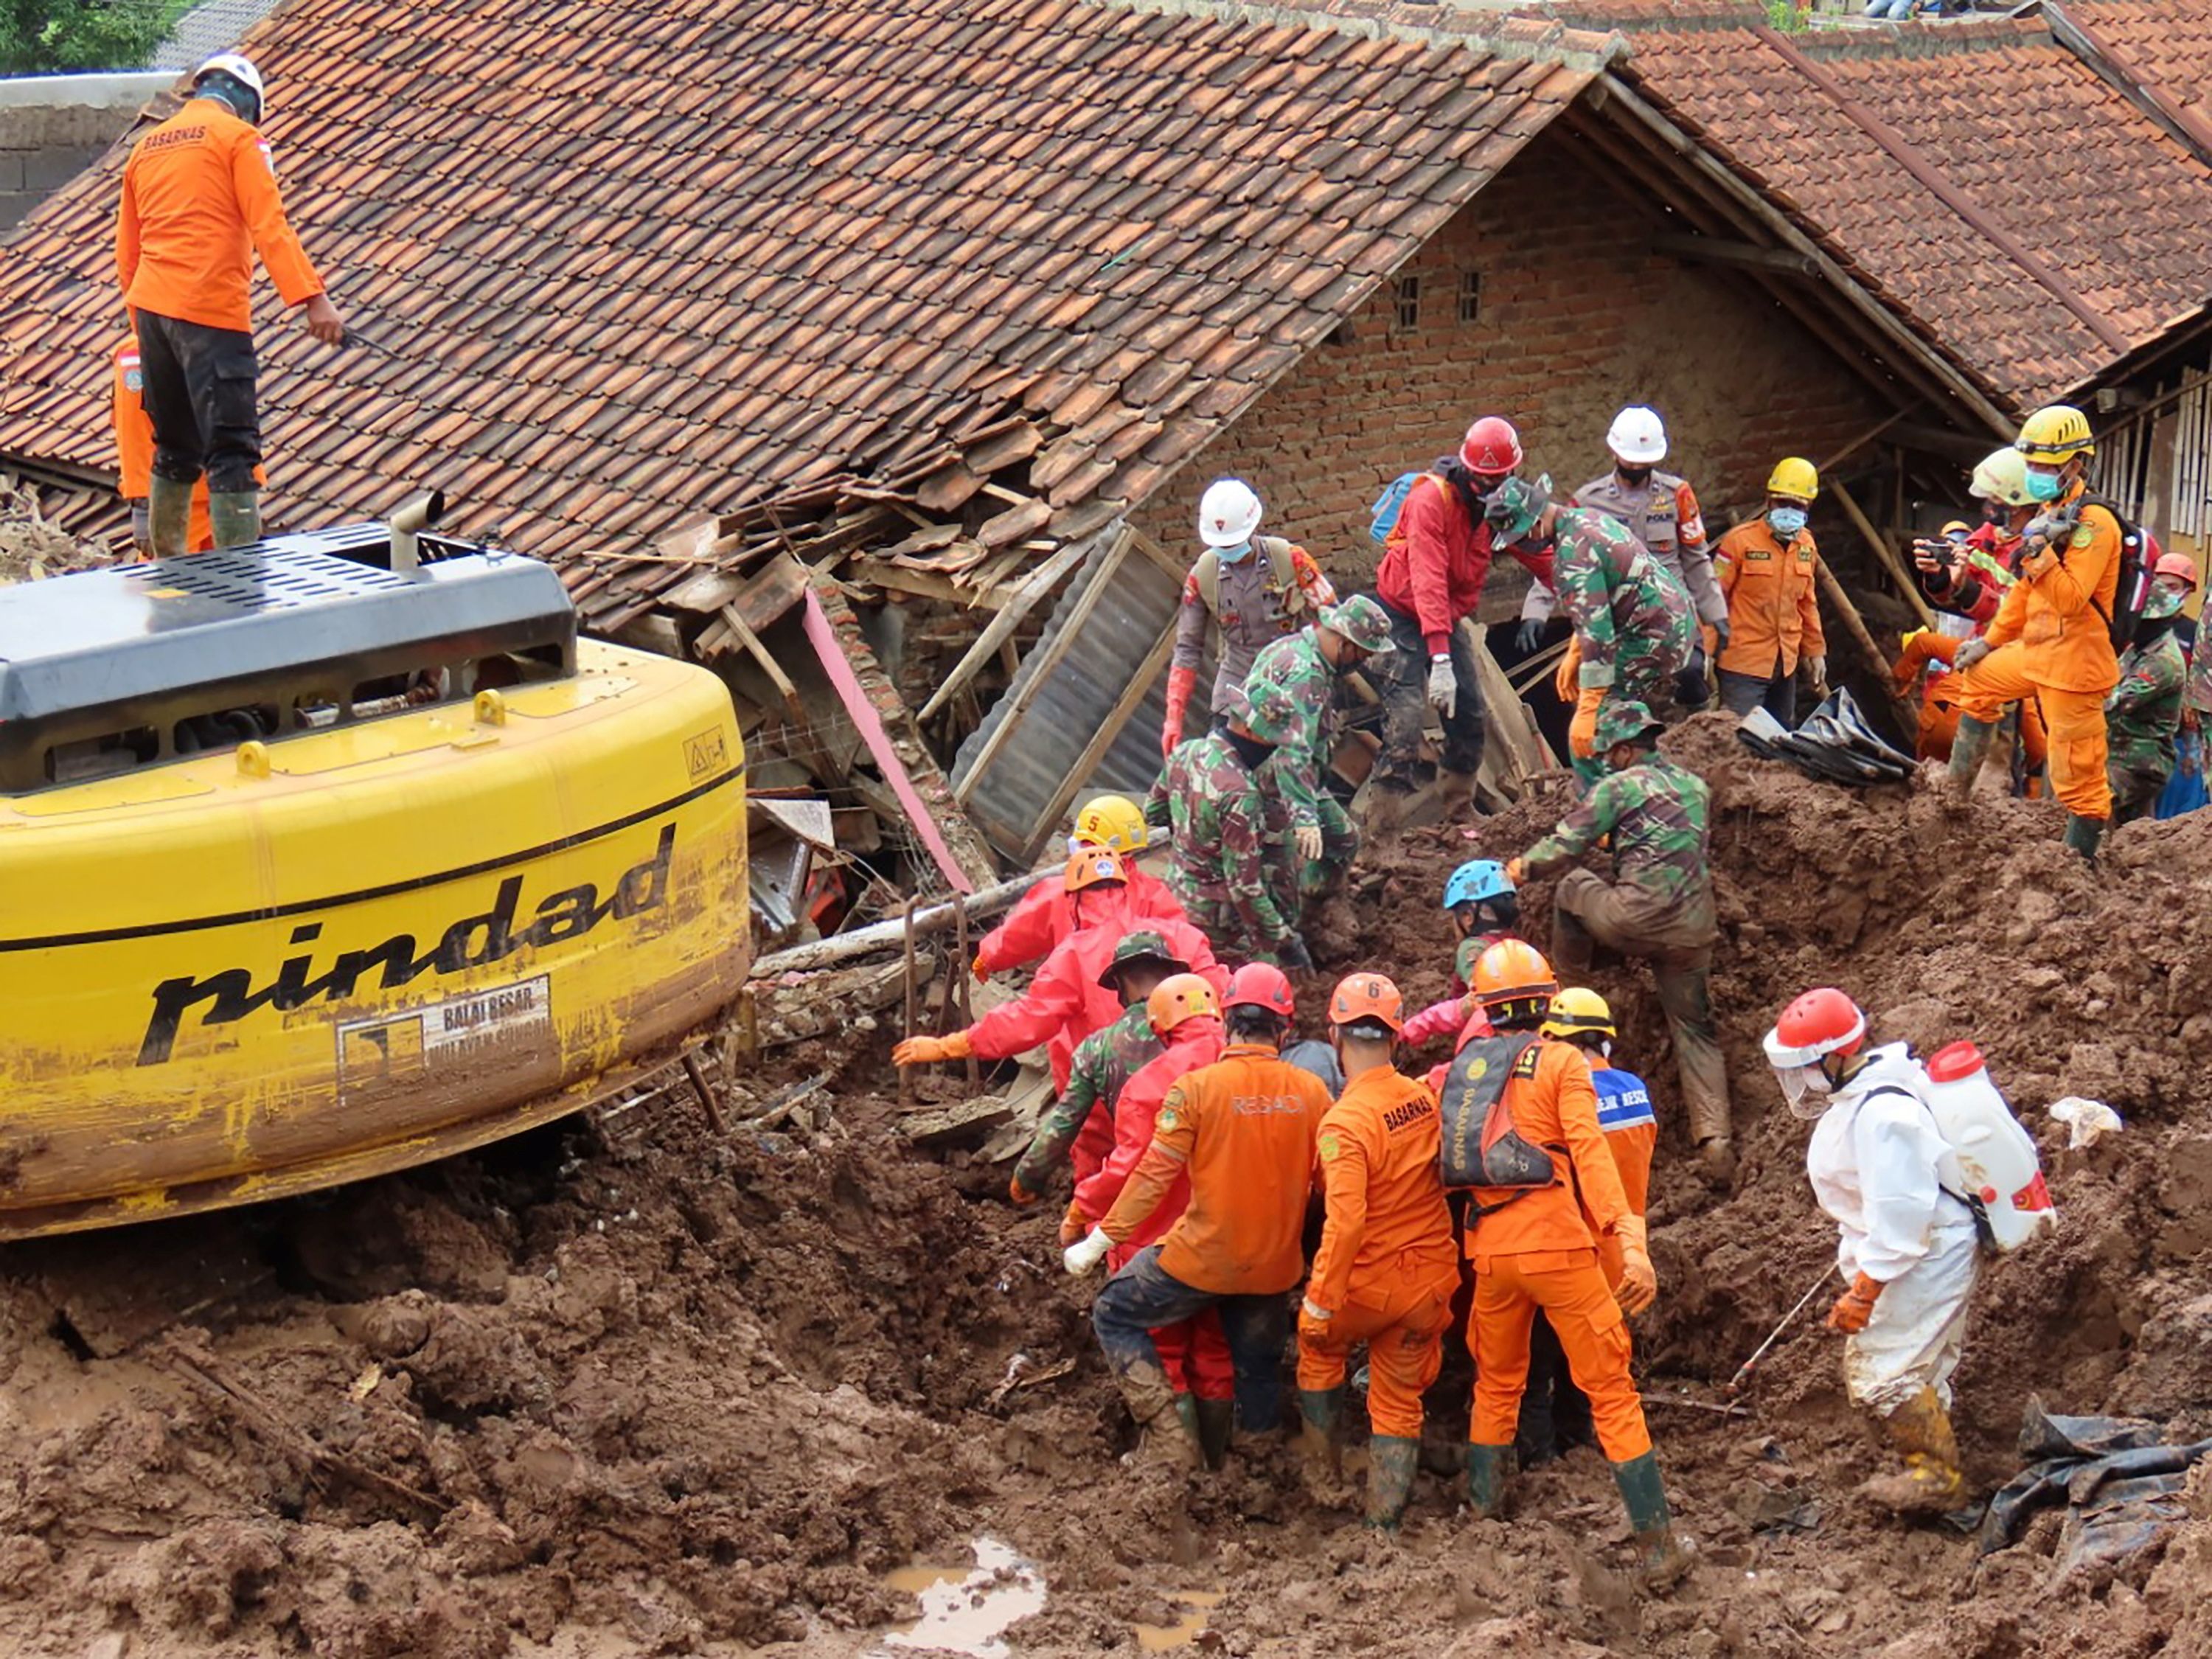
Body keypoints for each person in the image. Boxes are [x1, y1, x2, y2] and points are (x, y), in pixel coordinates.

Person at [1447, 940, 1689, 1587]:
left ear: (1485, 1008)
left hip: (1490, 1253)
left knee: (1496, 1385)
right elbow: (1591, 1156)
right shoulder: (1560, 1064)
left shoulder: (1463, 1068)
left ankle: (1485, 1513)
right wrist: (1630, 1241)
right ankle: (1659, 1547)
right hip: (1559, 1246)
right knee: (1611, 1390)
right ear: (1546, 1001)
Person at [1066, 964, 1332, 1464]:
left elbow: (1150, 1178)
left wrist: (1100, 1240)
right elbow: (1329, 1187)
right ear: (1286, 1029)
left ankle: (1169, 1444)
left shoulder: (1195, 1091)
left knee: (1114, 1311)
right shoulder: (1313, 1093)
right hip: (1273, 1267)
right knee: (1257, 1364)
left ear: (1228, 1021)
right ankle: (1254, 1465)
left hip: (1201, 1260)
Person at [116, 54, 344, 554]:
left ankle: (168, 571)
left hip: (152, 312)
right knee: (234, 452)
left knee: (174, 448)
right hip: (210, 311)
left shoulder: (147, 147)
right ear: (245, 99)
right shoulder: (241, 139)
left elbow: (127, 253)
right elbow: (269, 224)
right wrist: (312, 300)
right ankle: (240, 578)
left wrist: (145, 324)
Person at [1763, 988, 1979, 1513]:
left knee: (1882, 1372)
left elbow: (1902, 1217)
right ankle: (1935, 1465)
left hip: (1926, 1253)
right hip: (1919, 1250)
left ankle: (1939, 1480)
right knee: (1918, 1366)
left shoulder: (1882, 1116)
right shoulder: (1865, 1093)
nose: (1804, 1079)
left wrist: (1864, 1292)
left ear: (1835, 1056)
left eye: (1808, 1066)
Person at [1508, 700, 1733, 1180]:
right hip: (1693, 932)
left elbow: (1568, 844)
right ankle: (1716, 1141)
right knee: (1696, 1030)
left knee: (1572, 887)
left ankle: (1567, 998)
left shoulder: (1618, 787)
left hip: (1633, 919)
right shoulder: (1695, 786)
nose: (1606, 762)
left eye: (1611, 753)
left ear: (1629, 750)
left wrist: (1521, 869)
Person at [1295, 973, 1458, 1528]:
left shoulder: (1343, 1122)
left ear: (1335, 1039)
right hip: (1429, 1284)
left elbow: (1345, 1223)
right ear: (1395, 1037)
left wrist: (1319, 1304)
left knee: (1318, 1351)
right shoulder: (1420, 1100)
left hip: (1366, 1286)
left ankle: (1323, 1481)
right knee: (1397, 1399)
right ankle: (1382, 1529)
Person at [1068, 974, 1237, 1468]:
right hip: (1238, 1241)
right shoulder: (1251, 1072)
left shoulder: (1150, 1085)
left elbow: (1127, 1169)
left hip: (1160, 1241)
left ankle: (1174, 1466)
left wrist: (1082, 1207)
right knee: (1213, 1349)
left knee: (1163, 1350)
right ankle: (1219, 1463)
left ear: (1162, 1029)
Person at [1945, 406, 2123, 859]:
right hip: (2038, 652)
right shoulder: (2051, 511)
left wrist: (2040, 553)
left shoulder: (2094, 524)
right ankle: (1953, 799)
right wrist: (1989, 641)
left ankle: (2078, 866)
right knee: (1980, 678)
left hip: (2075, 668)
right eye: (2033, 464)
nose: (2037, 473)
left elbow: (2069, 600)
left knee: (2077, 780)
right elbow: (2024, 596)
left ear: (2076, 463)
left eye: (2047, 465)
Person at [891, 849, 1222, 1090]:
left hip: (1102, 1086)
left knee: (1098, 1166)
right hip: (1188, 1080)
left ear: (1074, 900)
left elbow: (1027, 1020)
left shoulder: (1073, 955)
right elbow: (1225, 992)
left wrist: (949, 1045)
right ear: (1126, 886)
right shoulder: (1180, 935)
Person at [1367, 417, 1557, 820]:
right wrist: (1439, 658)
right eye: (1486, 480)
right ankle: (1380, 829)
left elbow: (1535, 551)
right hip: (1402, 611)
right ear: (1468, 470)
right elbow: (1428, 578)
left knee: (1469, 709)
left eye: (1502, 478)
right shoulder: (1430, 502)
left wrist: (1579, 592)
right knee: (1405, 719)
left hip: (1447, 613)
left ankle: (1458, 807)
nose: (1493, 488)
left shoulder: (1499, 505)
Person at [1515, 989, 1653, 1465]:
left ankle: (1538, 1458)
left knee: (1536, 1361)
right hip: (1623, 1254)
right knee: (1595, 1365)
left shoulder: (1560, 1098)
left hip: (1567, 1252)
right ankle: (1579, 1440)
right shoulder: (1636, 1090)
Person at [1484, 477, 1693, 778]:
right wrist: (1574, 652)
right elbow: (1599, 605)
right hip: (1669, 620)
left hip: (1652, 636)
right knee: (1614, 704)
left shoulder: (1573, 558)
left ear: (1532, 527)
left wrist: (1588, 708)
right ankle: (1645, 766)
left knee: (1594, 732)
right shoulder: (1585, 518)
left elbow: (1599, 637)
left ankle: (1615, 797)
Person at [1520, 407, 1727, 694]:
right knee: (1610, 697)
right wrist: (1535, 612)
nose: (1637, 469)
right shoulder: (1589, 502)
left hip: (1674, 614)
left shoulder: (1676, 494)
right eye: (1632, 462)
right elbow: (1560, 559)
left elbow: (1696, 559)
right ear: (1614, 452)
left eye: (1644, 463)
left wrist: (1716, 613)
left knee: (1691, 678)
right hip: (1621, 620)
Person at [1006, 931, 1188, 1206]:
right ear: (1171, 976)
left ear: (1121, 984)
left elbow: (1063, 1125)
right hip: (1203, 1179)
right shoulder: (1206, 1031)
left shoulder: (1097, 1049)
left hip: (1139, 1184)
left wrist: (1027, 1177)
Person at [1161, 479, 1337, 753]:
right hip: (1236, 685)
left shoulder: (1291, 560)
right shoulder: (1202, 577)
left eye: (1235, 543)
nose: (1230, 551)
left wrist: (1319, 676)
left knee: (1298, 771)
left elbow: (1333, 620)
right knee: (1223, 770)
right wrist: (1173, 718)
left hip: (1293, 681)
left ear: (1253, 526)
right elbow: (1187, 649)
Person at [1146, 678, 1311, 969]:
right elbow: (1245, 889)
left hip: (1174, 900)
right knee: (1263, 974)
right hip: (1218, 926)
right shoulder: (1240, 794)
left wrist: (1195, 841)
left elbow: (1154, 811)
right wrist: (1286, 942)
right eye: (1273, 736)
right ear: (1251, 730)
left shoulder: (1187, 752)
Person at [1242, 596, 1394, 901]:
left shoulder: (1288, 646)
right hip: (1274, 784)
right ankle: (1301, 913)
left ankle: (1318, 898)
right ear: (1345, 643)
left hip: (1290, 777)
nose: (1361, 662)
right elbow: (1292, 751)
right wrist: (1305, 818)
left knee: (1345, 839)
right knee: (1279, 874)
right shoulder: (1307, 677)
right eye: (1362, 655)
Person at [970, 795, 1183, 982]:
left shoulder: (1060, 892)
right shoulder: (1155, 895)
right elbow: (1182, 946)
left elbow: (1020, 932)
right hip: (1138, 1009)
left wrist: (987, 957)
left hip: (1075, 1001)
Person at [1712, 459, 1826, 726]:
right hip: (1742, 664)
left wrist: (1815, 651)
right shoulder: (1739, 541)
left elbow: (1807, 603)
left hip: (1785, 664)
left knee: (1780, 739)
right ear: (1768, 501)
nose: (1788, 511)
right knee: (1739, 739)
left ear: (1808, 507)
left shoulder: (1806, 544)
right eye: (1781, 503)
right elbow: (1714, 600)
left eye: (1797, 505)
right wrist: (1703, 652)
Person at [1399, 859, 1521, 1048]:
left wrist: (1413, 1029)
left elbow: (1478, 1001)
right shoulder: (1520, 948)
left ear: (1468, 917)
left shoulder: (1472, 948)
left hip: (1488, 1049)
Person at [112, 332, 216, 553]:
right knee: (173, 584)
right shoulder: (141, 352)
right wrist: (143, 501)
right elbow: (135, 427)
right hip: (177, 505)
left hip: (222, 498)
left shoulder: (219, 337)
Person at [2107, 578, 2189, 825]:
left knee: (2095, 802)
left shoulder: (2162, 662)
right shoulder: (2140, 648)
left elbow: (2117, 703)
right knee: (2135, 829)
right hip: (2120, 752)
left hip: (2140, 762)